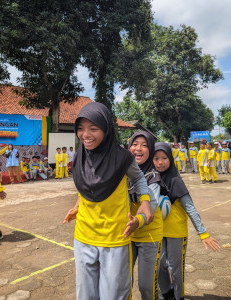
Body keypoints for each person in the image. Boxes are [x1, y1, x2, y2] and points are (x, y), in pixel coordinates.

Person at [63, 102, 153, 300]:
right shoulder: (79, 156)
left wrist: (145, 201)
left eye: (93, 129)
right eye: (80, 129)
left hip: (115, 236)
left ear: (106, 129)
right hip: (84, 235)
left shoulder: (122, 158)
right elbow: (86, 186)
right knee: (85, 295)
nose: (85, 134)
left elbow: (138, 178)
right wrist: (78, 205)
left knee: (113, 295)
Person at [153, 143, 220, 300]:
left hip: (176, 232)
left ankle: (178, 296)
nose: (160, 162)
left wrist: (203, 233)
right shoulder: (150, 179)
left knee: (175, 268)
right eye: (156, 158)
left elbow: (190, 208)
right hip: (157, 231)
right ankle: (166, 291)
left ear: (170, 159)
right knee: (160, 266)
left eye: (164, 158)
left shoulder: (176, 180)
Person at [128, 131, 163, 300]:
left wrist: (138, 220)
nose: (138, 148)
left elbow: (152, 206)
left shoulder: (152, 176)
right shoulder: (122, 173)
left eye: (144, 145)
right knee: (124, 282)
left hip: (149, 236)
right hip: (127, 235)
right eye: (135, 144)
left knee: (146, 287)